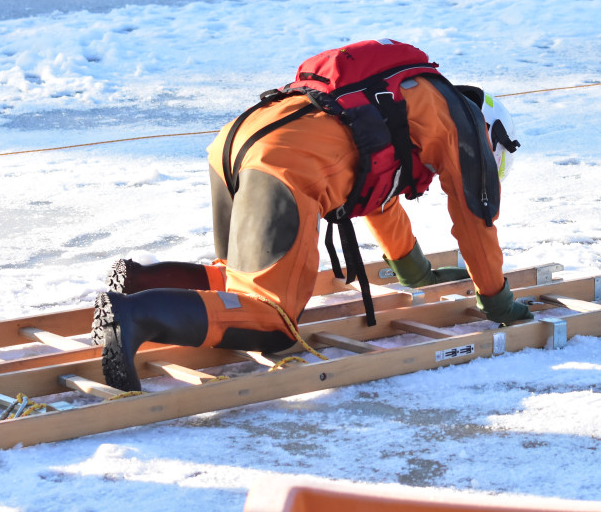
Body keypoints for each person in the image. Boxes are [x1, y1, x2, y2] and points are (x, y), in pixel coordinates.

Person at [94, 39, 532, 391]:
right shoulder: (459, 121)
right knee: (273, 321)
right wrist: (498, 301)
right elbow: (475, 215)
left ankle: (140, 280)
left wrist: (413, 271)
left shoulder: (406, 96)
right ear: (492, 135)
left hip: (238, 141)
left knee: (239, 277)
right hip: (284, 164)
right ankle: (135, 315)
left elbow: (379, 196)